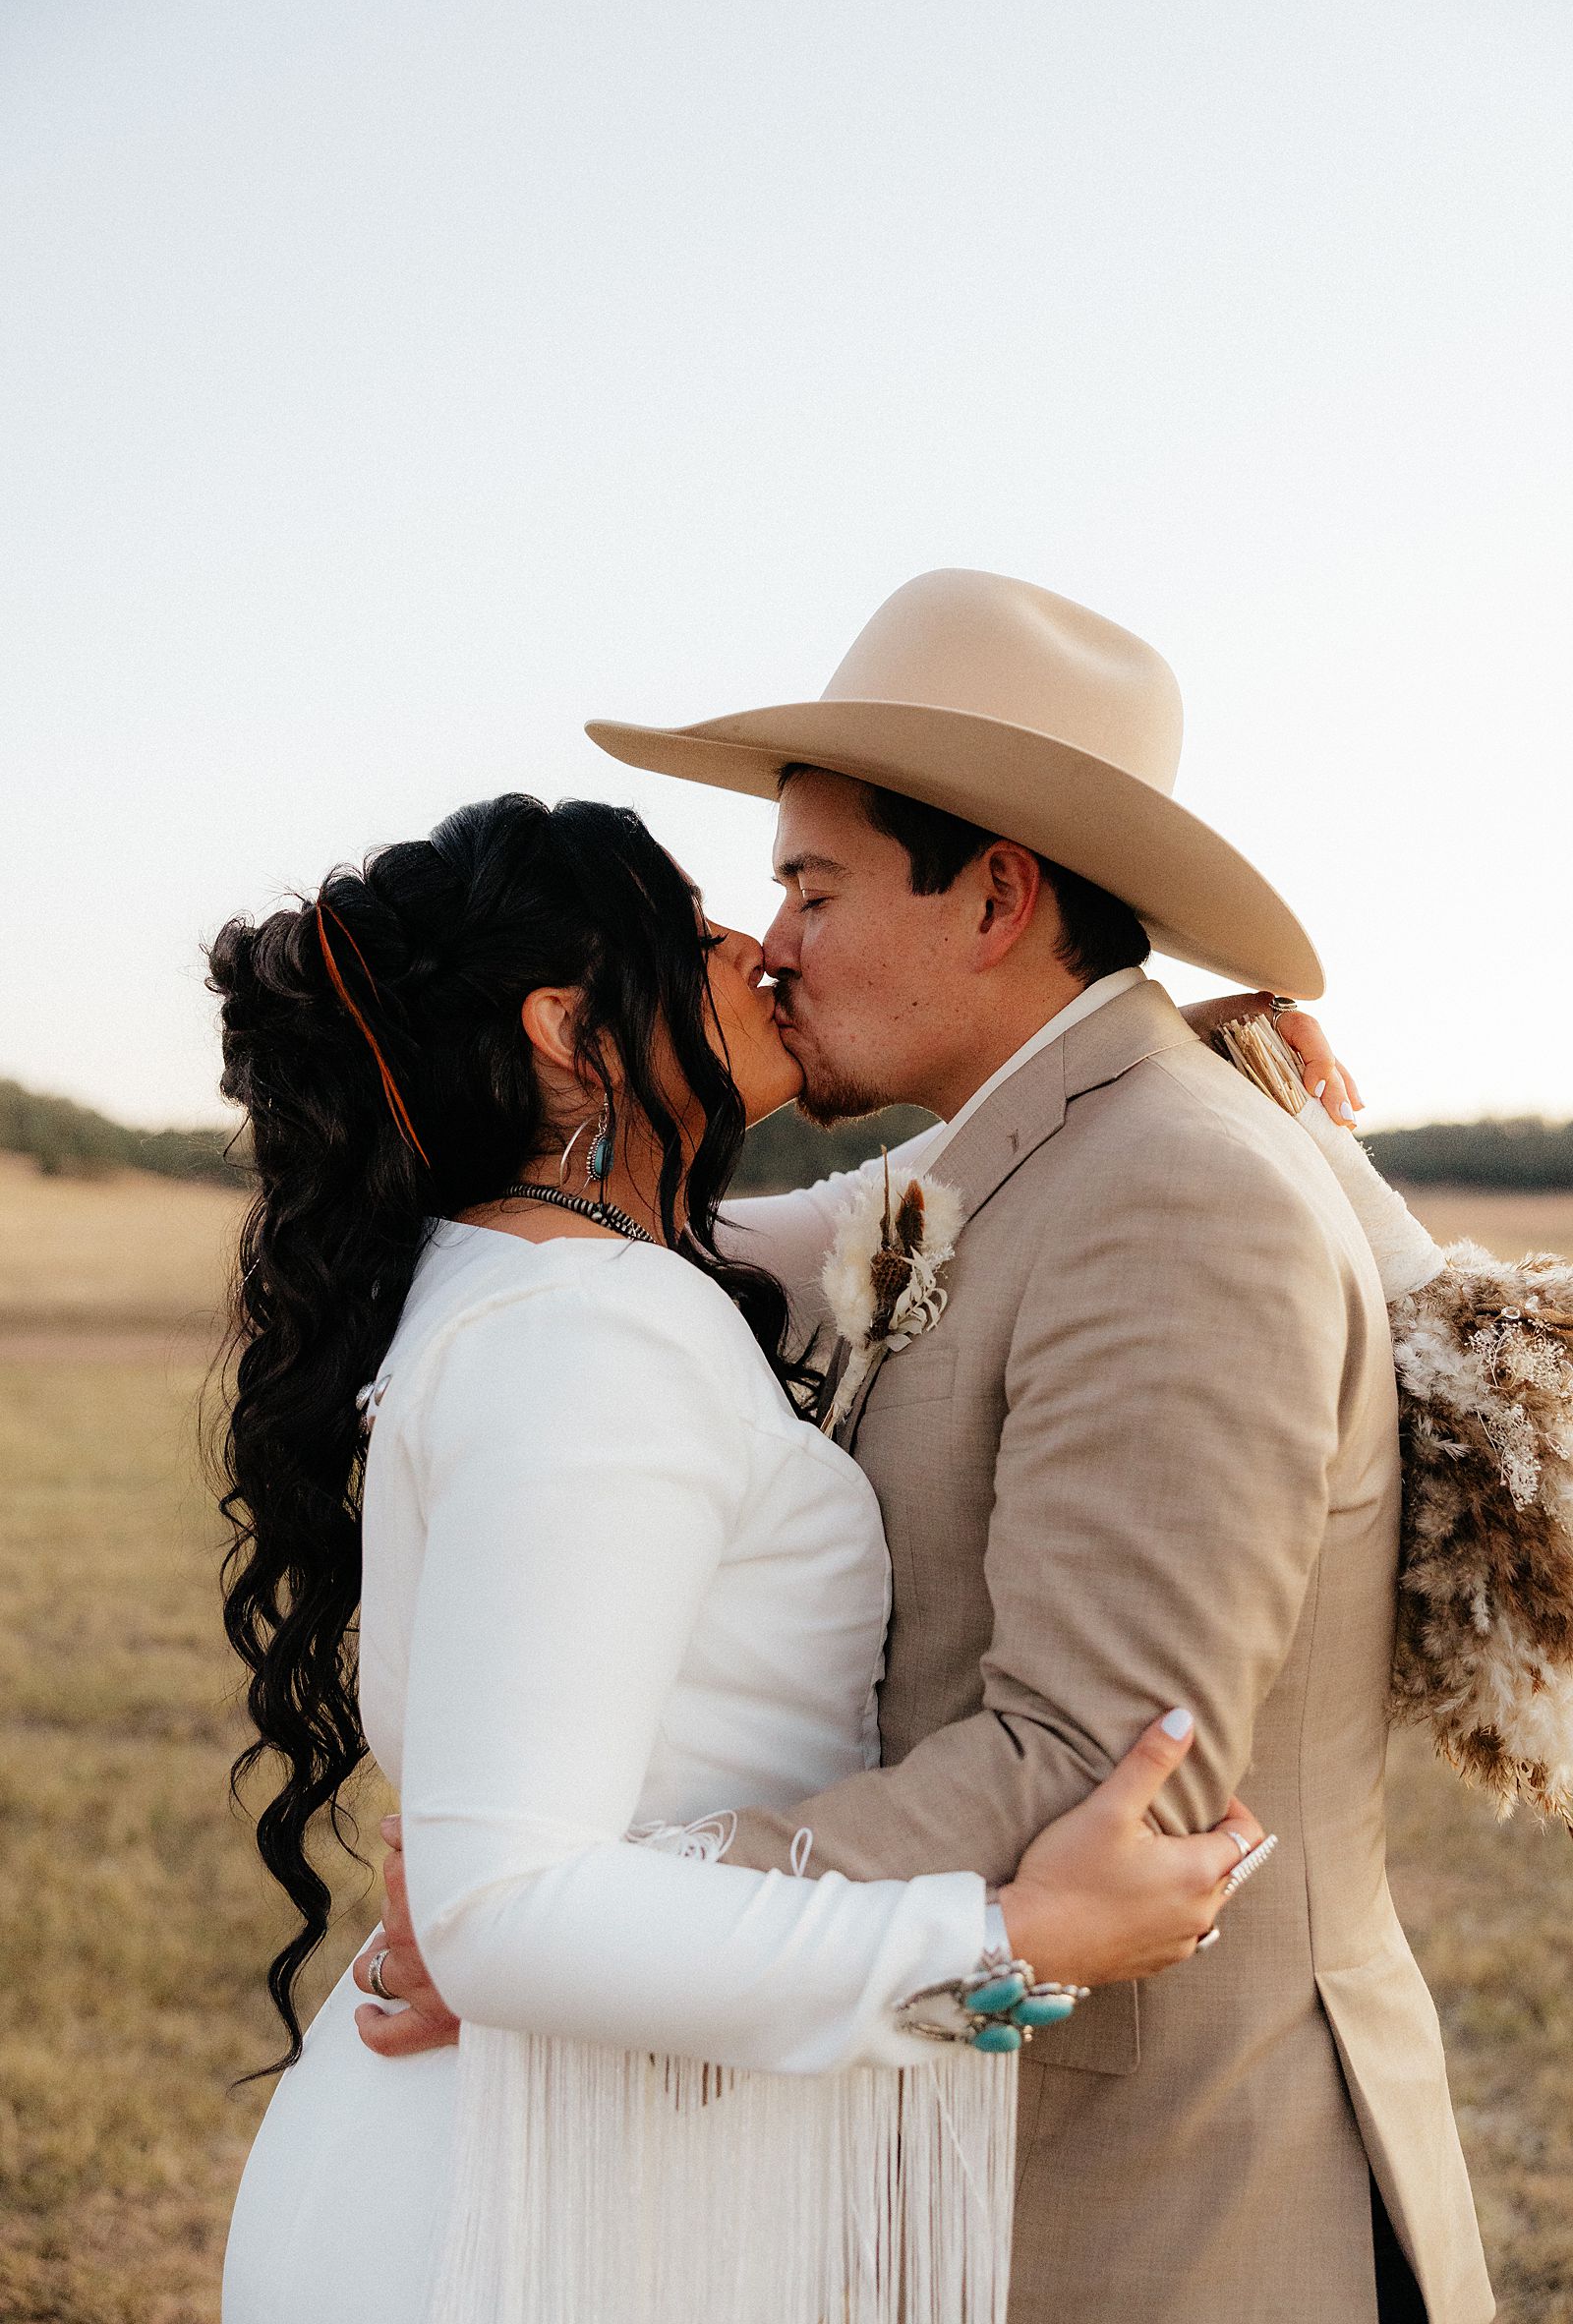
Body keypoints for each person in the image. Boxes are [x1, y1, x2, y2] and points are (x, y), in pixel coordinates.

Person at [373, 570, 1493, 2321]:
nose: (772, 949)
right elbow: (621, 1265)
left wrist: (578, 1929)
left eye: (810, 888)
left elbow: (1106, 1770)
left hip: (1171, 2209)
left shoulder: (1176, 1193)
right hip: (972, 2161)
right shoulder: (1016, 1157)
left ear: (994, 896)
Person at [212, 790, 1267, 2324]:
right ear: (577, 1036)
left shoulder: (523, 1266)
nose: (760, 953)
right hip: (534, 2228)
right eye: (696, 933)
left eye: (788, 903)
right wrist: (1006, 1938)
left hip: (549, 2166)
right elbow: (506, 1912)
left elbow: (954, 1181)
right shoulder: (598, 1333)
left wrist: (1172, 1053)